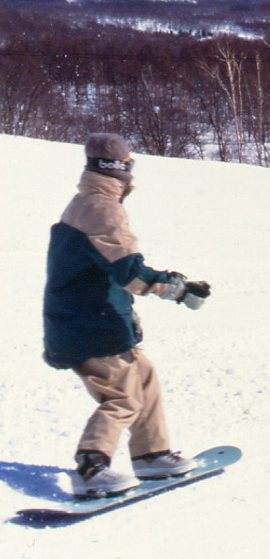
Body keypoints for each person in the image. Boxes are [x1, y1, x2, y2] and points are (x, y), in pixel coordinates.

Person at [42, 133, 211, 498]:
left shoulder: (85, 201)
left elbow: (100, 271)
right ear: (123, 170)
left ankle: (151, 455)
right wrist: (177, 289)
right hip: (87, 325)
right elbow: (129, 272)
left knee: (143, 375)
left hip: (89, 318)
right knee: (122, 396)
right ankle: (91, 469)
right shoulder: (104, 208)